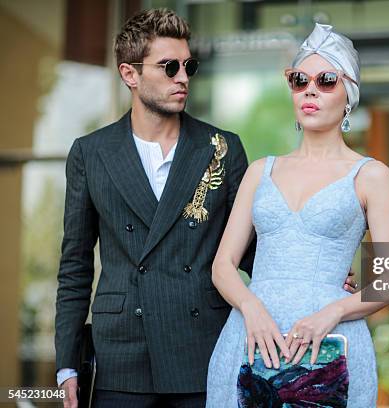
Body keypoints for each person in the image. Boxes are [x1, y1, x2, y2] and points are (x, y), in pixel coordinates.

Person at [54, 10, 358, 408]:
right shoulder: (91, 153)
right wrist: (67, 365)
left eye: (188, 66)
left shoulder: (223, 147)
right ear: (129, 74)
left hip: (201, 347)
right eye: (169, 67)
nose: (182, 77)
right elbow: (75, 267)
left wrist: (311, 273)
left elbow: (247, 249)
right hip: (122, 353)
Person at [206, 23, 389, 407]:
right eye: (300, 80)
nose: (311, 89)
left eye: (326, 79)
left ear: (350, 95)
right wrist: (251, 308)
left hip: (328, 350)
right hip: (248, 339)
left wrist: (332, 312)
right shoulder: (260, 170)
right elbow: (222, 266)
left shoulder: (371, 175)